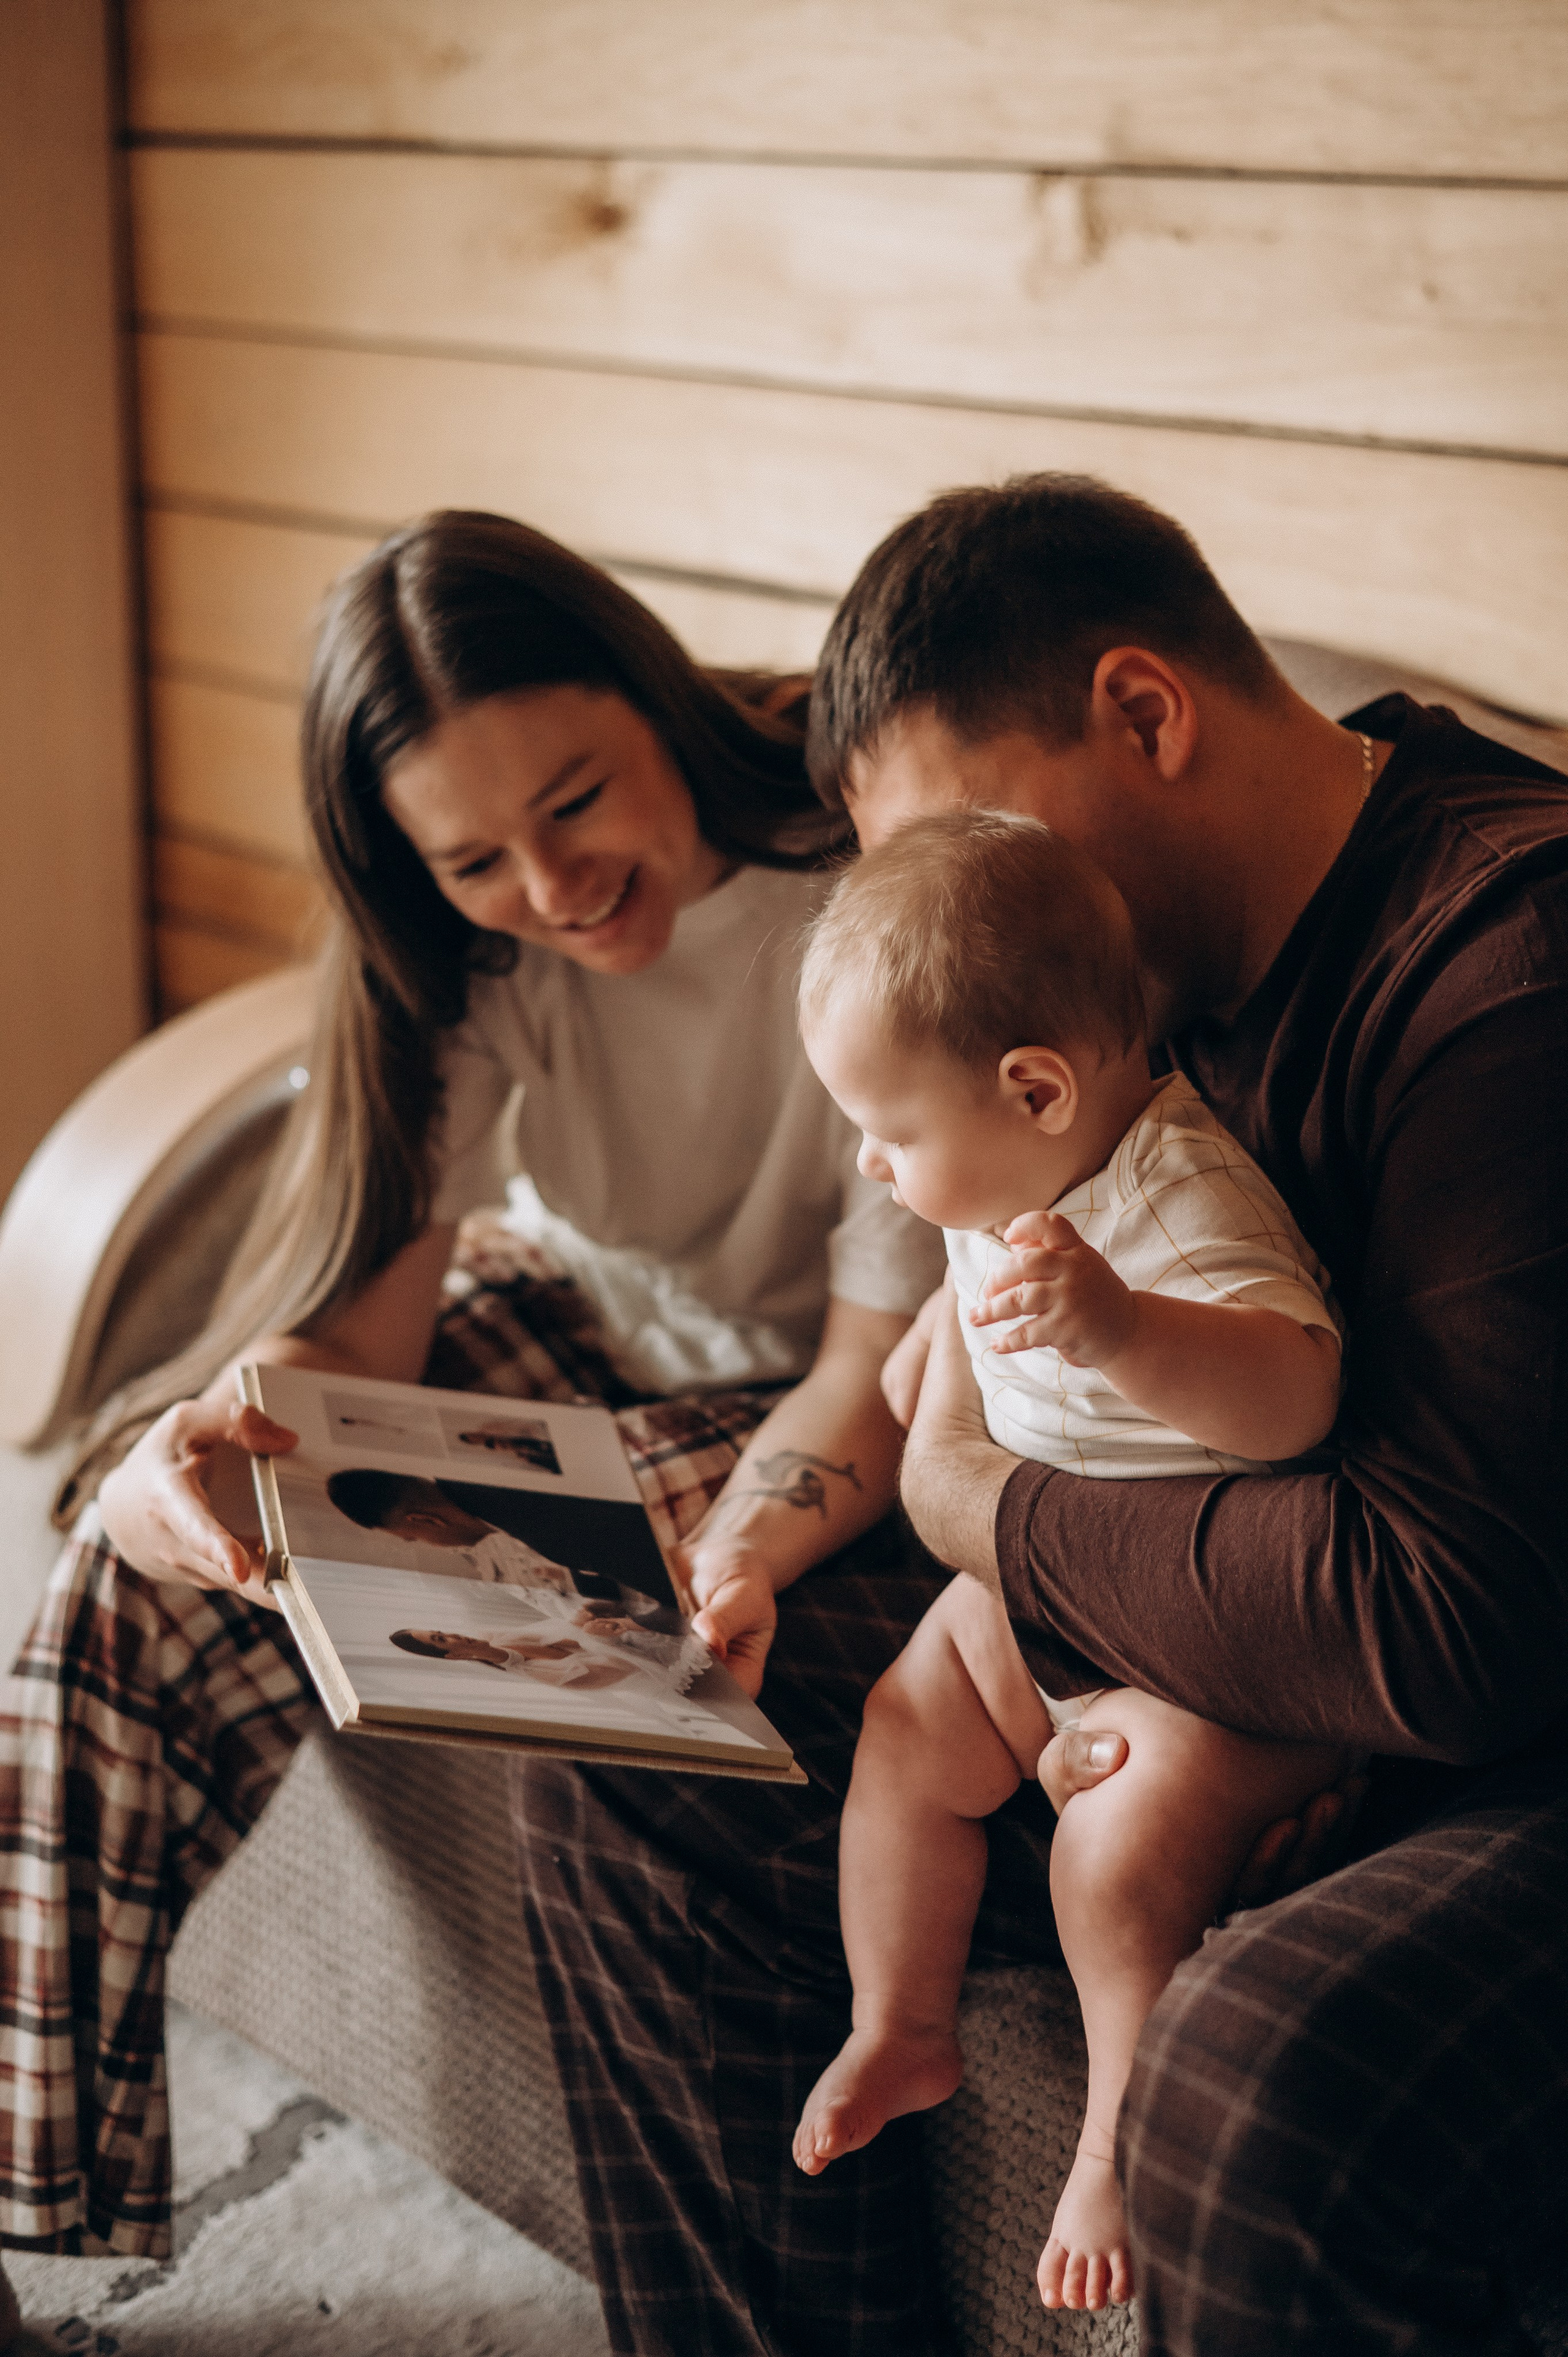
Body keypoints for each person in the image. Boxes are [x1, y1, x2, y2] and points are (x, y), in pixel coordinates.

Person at [0, 511, 943, 2326]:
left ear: (653, 697)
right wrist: (197, 1444)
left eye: (576, 801)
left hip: (825, 1393)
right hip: (590, 1310)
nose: (552, 886)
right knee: (140, 1575)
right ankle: (26, 2194)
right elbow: (364, 1333)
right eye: (474, 859)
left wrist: (736, 1545)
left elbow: (863, 1378)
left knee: (519, 1553)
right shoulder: (465, 951)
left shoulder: (859, 879)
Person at [808, 474, 1568, 2353]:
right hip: (1228, 1589)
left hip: (1509, 1708)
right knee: (657, 1741)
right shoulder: (1120, 983)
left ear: (1143, 714)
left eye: (975, 835)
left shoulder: (1512, 977)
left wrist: (971, 1497)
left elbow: (1444, 1628)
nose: (972, 912)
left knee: (1255, 2091)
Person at [790, 809, 1346, 2310]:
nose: (871, 1161)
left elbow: (1296, 1394)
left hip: (1210, 1646)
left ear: (1034, 1088)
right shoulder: (1003, 1176)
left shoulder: (1176, 1200)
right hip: (1053, 1587)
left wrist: (1123, 1328)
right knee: (904, 1721)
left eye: (891, 1132)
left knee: (1112, 1853)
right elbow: (968, 1286)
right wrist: (936, 1338)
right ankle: (899, 2020)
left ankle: (1108, 2141)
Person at [326, 1464, 578, 1590]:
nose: (415, 1542)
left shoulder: (546, 1523)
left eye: (413, 1537)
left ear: (425, 1520)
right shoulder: (484, 1482)